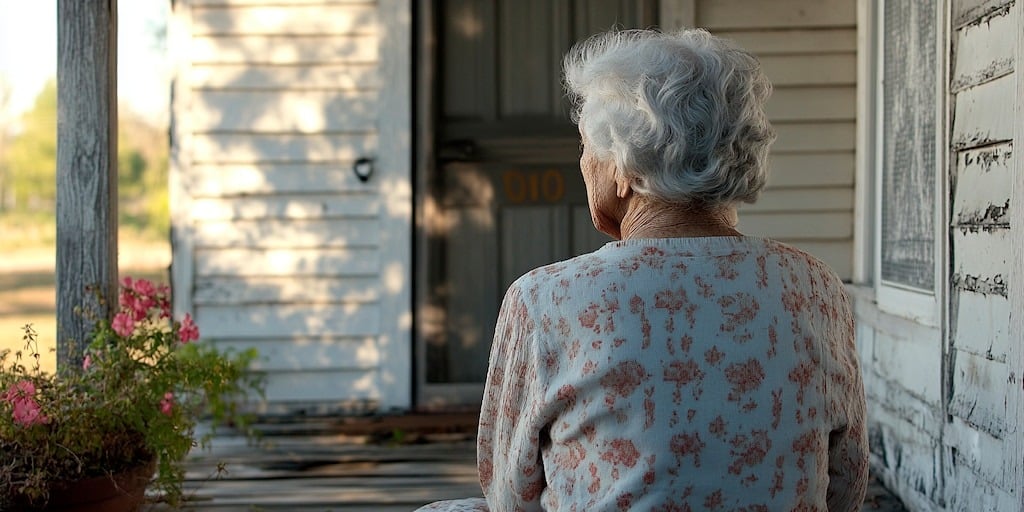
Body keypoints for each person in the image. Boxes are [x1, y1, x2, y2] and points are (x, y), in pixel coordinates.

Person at [417, 28, 868, 512]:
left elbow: (511, 495)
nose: (584, 163)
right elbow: (845, 484)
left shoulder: (545, 299)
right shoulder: (816, 288)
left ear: (623, 169)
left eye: (588, 147)